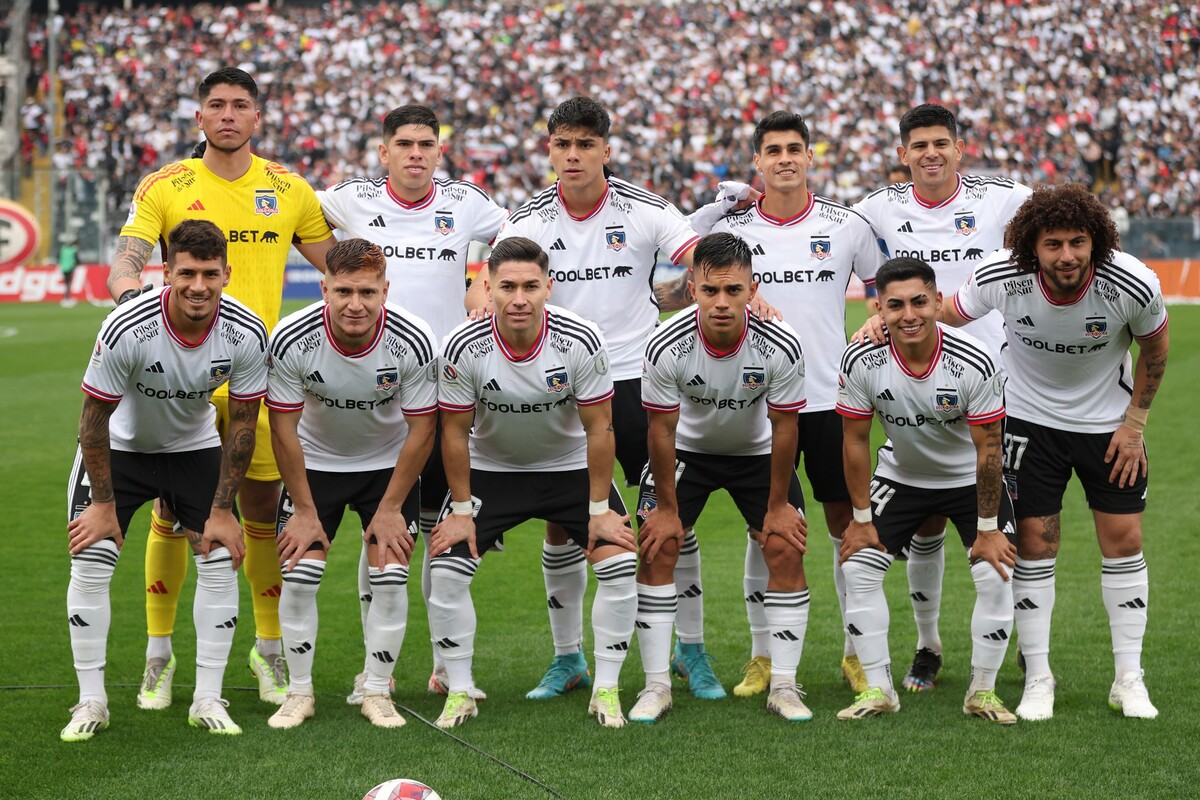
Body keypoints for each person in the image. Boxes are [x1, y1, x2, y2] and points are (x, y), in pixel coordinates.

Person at [482, 97, 726, 702]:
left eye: (585, 144)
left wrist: (701, 293)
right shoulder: (529, 219)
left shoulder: (646, 209)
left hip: (640, 383)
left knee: (667, 514)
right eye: (562, 144)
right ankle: (569, 660)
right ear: (549, 150)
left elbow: (697, 258)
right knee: (563, 526)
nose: (573, 155)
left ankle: (689, 650)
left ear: (605, 151)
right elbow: (490, 284)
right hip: (557, 384)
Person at [109, 67, 335, 710]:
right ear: (199, 116)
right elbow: (127, 256)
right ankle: (159, 656)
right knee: (172, 516)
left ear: (257, 118)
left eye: (241, 105)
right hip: (175, 379)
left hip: (253, 379)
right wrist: (130, 295)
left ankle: (268, 654)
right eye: (217, 105)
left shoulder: (288, 189)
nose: (229, 114)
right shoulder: (167, 186)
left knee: (261, 514)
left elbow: (339, 265)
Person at [943, 184, 1168, 720]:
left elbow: (1155, 347)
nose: (1066, 255)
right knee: (1037, 546)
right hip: (1028, 425)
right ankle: (1039, 677)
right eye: (1052, 244)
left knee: (1124, 540)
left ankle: (1128, 678)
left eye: (1076, 242)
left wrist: (1134, 425)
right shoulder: (1001, 276)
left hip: (1109, 429)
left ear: (1095, 242)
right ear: (1031, 247)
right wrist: (884, 318)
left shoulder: (1131, 282)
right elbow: (948, 312)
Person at [687, 112, 880, 700]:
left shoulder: (846, 226)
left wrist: (873, 319)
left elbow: (882, 289)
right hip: (756, 402)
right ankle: (763, 657)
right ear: (758, 161)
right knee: (763, 529)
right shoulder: (734, 230)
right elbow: (676, 265)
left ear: (810, 158)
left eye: (795, 149)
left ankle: (856, 654)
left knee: (844, 526)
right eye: (773, 150)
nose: (785, 159)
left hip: (829, 399)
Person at [317, 105, 506, 703]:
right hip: (376, 391)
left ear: (439, 150)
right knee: (384, 530)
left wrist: (484, 279)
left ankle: (448, 664)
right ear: (384, 151)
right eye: (404, 143)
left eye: (427, 143)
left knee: (441, 531)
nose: (416, 153)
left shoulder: (467, 202)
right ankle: (379, 668)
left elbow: (518, 239)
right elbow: (294, 219)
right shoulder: (349, 200)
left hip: (446, 388)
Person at [61, 219, 268, 741]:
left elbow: (243, 424)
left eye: (210, 274)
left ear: (227, 273)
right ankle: (91, 702)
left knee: (220, 557)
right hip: (120, 449)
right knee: (90, 557)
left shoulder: (246, 331)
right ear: (167, 272)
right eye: (187, 273)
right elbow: (93, 419)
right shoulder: (128, 327)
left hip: (193, 449)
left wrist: (222, 510)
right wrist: (103, 504)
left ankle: (208, 698)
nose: (198, 285)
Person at [851, 103, 1032, 692]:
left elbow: (1057, 234)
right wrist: (872, 320)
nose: (931, 153)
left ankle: (1028, 644)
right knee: (924, 524)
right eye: (919, 145)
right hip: (913, 377)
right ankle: (928, 645)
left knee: (1016, 525)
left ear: (960, 148)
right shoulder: (875, 208)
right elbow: (849, 272)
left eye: (941, 143)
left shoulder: (1006, 197)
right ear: (902, 154)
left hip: (997, 379)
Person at [428, 236, 638, 729]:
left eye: (529, 286)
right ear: (488, 288)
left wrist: (598, 510)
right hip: (492, 471)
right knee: (444, 572)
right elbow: (454, 434)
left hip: (569, 469)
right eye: (506, 287)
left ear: (549, 286)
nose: (518, 298)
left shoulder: (581, 339)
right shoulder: (462, 345)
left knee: (620, 564)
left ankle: (605, 689)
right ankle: (459, 692)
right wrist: (460, 514)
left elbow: (599, 428)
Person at [632, 232, 810, 723]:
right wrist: (666, 510)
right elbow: (661, 430)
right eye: (711, 291)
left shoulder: (782, 343)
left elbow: (786, 426)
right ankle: (655, 686)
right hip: (687, 451)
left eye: (734, 290)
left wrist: (777, 506)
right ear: (692, 288)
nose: (723, 302)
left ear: (753, 288)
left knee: (784, 545)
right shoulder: (666, 342)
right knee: (656, 545)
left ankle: (786, 686)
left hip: (756, 454)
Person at [263, 239, 437, 730]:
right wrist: (301, 508)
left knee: (390, 574)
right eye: (343, 291)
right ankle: (299, 693)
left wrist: (391, 507)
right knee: (298, 575)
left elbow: (424, 429)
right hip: (314, 467)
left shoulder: (415, 338)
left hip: (388, 468)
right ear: (324, 289)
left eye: (366, 291)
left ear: (385, 289)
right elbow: (282, 428)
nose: (354, 304)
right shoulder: (292, 338)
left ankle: (377, 689)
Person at [836, 256, 1017, 724]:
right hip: (903, 476)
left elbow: (989, 450)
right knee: (857, 567)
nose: (909, 314)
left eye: (919, 301)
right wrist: (859, 521)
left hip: (968, 478)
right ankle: (878, 688)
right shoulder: (861, 359)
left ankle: (983, 691)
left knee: (995, 571)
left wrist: (989, 528)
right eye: (895, 305)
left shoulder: (973, 360)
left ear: (938, 301)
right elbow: (855, 440)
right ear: (878, 307)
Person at [58, 234, 80, 307]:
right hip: (70, 267)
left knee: (66, 283)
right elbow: (77, 259)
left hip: (63, 267)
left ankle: (66, 297)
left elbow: (59, 257)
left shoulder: (63, 249)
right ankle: (67, 298)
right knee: (68, 283)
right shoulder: (73, 250)